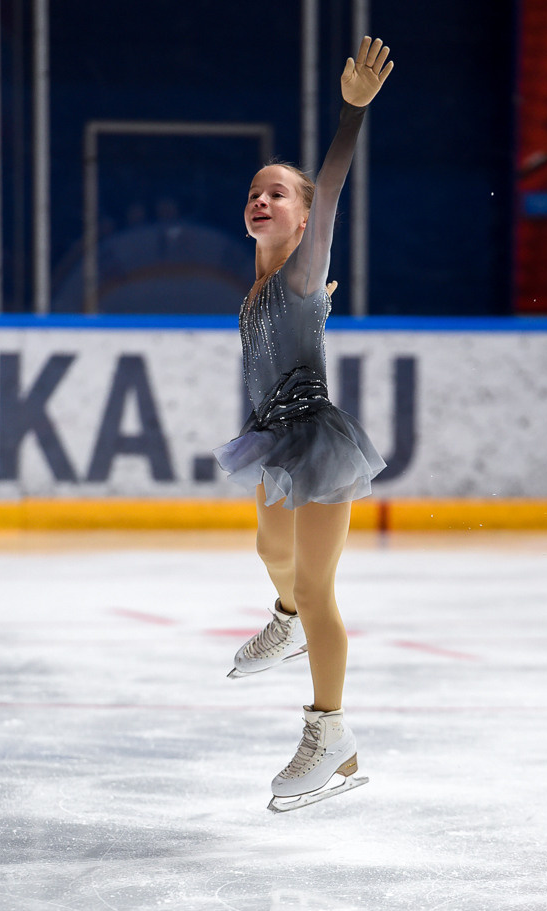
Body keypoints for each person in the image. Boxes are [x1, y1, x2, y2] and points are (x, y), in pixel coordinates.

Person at [214, 36, 394, 812]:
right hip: (272, 439)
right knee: (269, 552)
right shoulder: (256, 287)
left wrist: (350, 116)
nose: (263, 199)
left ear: (304, 215)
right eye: (255, 192)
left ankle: (332, 735)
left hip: (315, 443)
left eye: (278, 193)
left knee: (318, 588)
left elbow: (333, 183)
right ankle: (284, 622)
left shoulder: (298, 263)